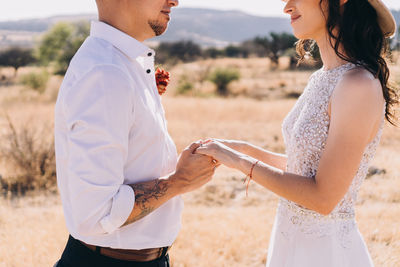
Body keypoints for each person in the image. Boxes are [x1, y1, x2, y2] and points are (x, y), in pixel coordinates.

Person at [195, 0, 398, 266]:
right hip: (290, 241)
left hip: (326, 252)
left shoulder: (358, 84)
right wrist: (244, 150)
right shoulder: (323, 77)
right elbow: (305, 169)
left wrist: (240, 162)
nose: (287, 7)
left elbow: (323, 198)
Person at [54, 0, 218, 266]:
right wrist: (180, 180)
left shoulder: (122, 64)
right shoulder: (106, 73)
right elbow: (97, 212)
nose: (175, 1)